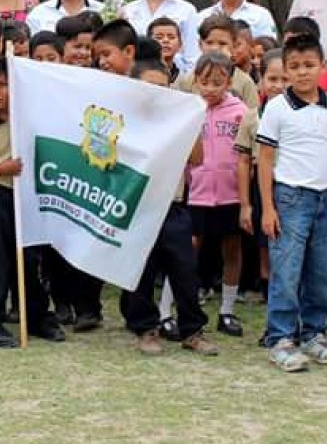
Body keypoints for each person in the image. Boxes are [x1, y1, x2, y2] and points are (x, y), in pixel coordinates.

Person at [257, 32, 327, 372]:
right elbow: (265, 158)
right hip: (291, 197)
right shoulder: (277, 108)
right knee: (287, 269)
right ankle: (281, 337)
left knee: (322, 270)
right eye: (294, 66)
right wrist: (268, 206)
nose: (302, 72)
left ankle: (315, 333)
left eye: (309, 65)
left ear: (322, 67)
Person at [120, 59, 219, 357]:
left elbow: (198, 159)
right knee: (141, 271)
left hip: (173, 205)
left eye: (163, 87)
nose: (157, 92)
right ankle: (146, 328)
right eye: (150, 86)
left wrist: (193, 125)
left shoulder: (180, 119)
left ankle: (192, 330)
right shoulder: (126, 121)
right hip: (138, 205)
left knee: (185, 269)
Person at [0, 57, 64, 347]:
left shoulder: (26, 116)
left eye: (2, 85)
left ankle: (36, 317)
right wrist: (2, 168)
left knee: (29, 259)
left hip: (24, 194)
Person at [185, 52, 249, 337]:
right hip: (196, 193)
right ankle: (169, 310)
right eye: (205, 82)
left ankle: (227, 310)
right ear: (195, 80)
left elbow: (248, 154)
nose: (211, 88)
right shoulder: (188, 110)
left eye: (218, 82)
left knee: (232, 251)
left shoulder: (241, 112)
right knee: (186, 251)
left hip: (231, 194)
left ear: (229, 82)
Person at [235, 47, 287, 345]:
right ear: (261, 81)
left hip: (293, 186)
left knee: (290, 256)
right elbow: (243, 162)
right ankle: (272, 317)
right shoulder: (252, 117)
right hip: (261, 188)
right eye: (272, 78)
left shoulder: (303, 115)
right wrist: (245, 204)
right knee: (267, 253)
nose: (278, 85)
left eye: (284, 78)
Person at [174, 15, 259, 109]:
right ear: (200, 44)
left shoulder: (245, 83)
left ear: (234, 46)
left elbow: (252, 117)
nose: (215, 48)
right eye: (209, 43)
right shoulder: (187, 81)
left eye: (222, 43)